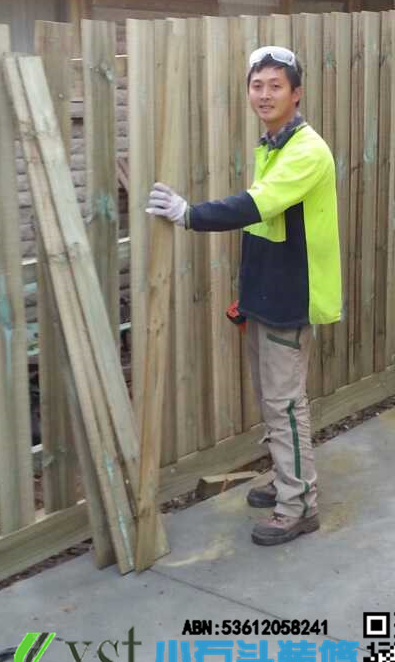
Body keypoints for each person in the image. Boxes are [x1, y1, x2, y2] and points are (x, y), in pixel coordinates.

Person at [146, 45, 341, 546]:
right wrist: (247, 296)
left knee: (285, 404)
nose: (265, 94)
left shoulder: (306, 150)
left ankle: (299, 505)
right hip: (266, 293)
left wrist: (190, 215)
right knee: (272, 400)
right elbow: (268, 227)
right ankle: (286, 478)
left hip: (291, 296)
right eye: (257, 85)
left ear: (297, 94)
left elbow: (258, 205)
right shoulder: (272, 144)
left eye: (276, 86)